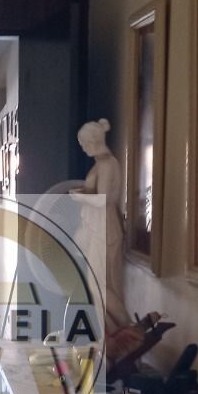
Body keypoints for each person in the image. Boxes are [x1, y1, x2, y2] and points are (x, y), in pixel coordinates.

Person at [69, 119, 132, 329]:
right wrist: (84, 193)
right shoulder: (103, 163)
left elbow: (103, 200)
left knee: (99, 284)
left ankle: (125, 327)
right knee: (98, 283)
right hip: (99, 225)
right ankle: (112, 333)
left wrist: (78, 196)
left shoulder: (106, 164)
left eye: (84, 143)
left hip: (104, 227)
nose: (83, 148)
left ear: (93, 141)